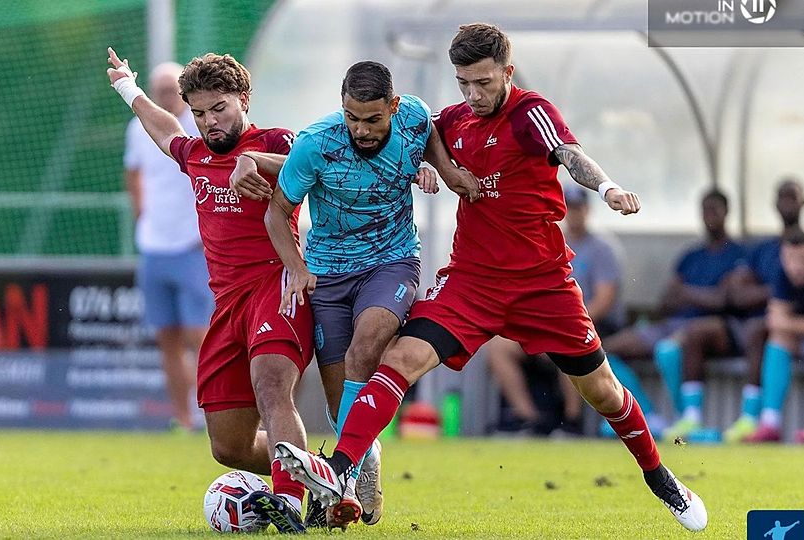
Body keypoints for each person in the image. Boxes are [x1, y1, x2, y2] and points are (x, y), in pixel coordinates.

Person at [274, 23, 708, 533]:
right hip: (471, 280)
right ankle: (342, 471)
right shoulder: (449, 119)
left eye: (483, 82)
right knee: (399, 358)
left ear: (507, 71)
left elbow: (569, 153)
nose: (474, 95)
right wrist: (431, 169)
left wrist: (608, 187)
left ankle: (661, 478)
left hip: (542, 283)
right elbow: (390, 140)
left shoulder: (530, 113)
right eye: (463, 83)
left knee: (604, 392)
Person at [234, 61, 476, 529]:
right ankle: (366, 461)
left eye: (372, 119)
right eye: (352, 118)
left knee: (367, 349)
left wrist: (439, 170)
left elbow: (432, 143)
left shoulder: (416, 118)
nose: (361, 130)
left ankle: (338, 480)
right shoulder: (315, 144)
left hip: (392, 262)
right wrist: (299, 270)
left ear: (394, 108)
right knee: (337, 391)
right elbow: (275, 213)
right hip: (327, 274)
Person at [107, 47, 312, 533]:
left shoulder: (277, 141)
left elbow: (322, 167)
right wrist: (127, 88)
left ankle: (289, 504)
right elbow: (165, 133)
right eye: (199, 113)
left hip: (276, 285)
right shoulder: (196, 153)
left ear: (243, 99)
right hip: (226, 303)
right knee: (229, 448)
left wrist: (255, 162)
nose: (209, 121)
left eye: (219, 108)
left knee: (271, 386)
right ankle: (323, 473)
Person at [657, 180, 804, 441]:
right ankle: (690, 419)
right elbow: (735, 295)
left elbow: (728, 299)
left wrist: (770, 294)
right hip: (744, 325)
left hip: (786, 327)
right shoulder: (761, 249)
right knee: (685, 338)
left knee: (761, 329)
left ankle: (755, 417)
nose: (786, 204)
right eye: (781, 197)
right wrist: (772, 293)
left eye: (791, 197)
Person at [600, 189, 747, 435]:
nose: (709, 215)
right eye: (705, 209)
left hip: (712, 326)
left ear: (726, 212)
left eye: (714, 209)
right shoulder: (691, 256)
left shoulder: (737, 254)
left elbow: (724, 300)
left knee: (668, 349)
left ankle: (688, 421)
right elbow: (667, 300)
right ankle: (645, 416)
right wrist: (699, 295)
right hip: (674, 322)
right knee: (604, 352)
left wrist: (687, 293)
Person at [486, 184, 625, 436]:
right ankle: (527, 417)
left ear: (587, 209)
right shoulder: (548, 241)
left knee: (567, 343)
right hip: (547, 322)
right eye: (568, 207)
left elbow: (605, 300)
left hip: (590, 322)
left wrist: (565, 324)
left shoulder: (602, 248)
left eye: (578, 207)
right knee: (499, 347)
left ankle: (572, 422)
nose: (573, 213)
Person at [123, 62, 214, 431]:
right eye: (158, 90)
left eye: (170, 90)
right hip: (154, 248)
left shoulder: (198, 128)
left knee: (201, 338)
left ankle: (215, 418)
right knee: (168, 340)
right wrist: (140, 214)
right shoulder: (137, 128)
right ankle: (182, 419)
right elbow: (132, 172)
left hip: (192, 248)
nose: (164, 97)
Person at [740, 231, 804, 443]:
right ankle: (770, 423)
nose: (796, 267)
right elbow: (774, 322)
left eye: (803, 260)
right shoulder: (781, 274)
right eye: (790, 259)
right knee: (778, 338)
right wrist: (790, 325)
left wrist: (788, 323)